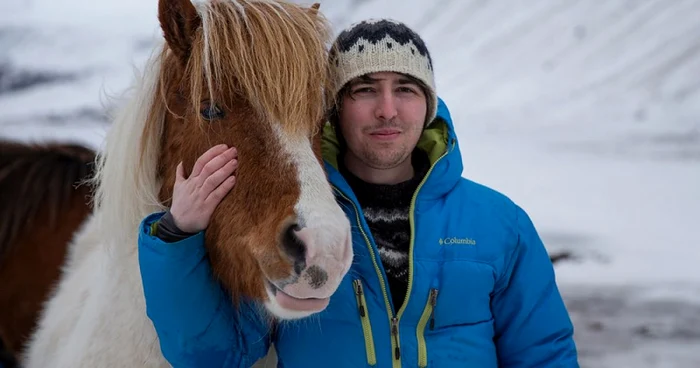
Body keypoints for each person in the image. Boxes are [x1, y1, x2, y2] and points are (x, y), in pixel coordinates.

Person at [137, 18, 579, 367]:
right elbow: (211, 356)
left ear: (428, 105)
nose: (387, 110)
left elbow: (544, 356)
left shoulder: (499, 224)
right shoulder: (299, 230)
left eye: (405, 89)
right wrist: (179, 235)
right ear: (332, 109)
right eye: (365, 90)